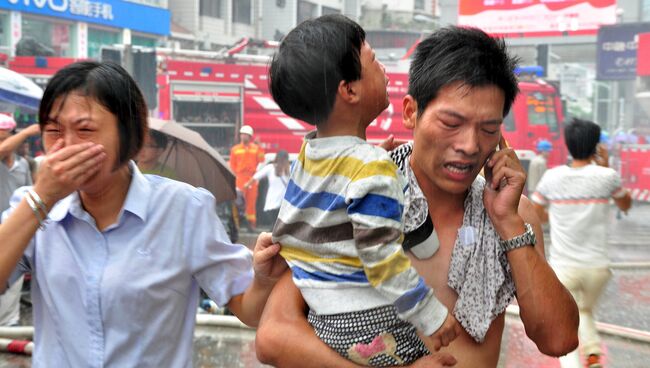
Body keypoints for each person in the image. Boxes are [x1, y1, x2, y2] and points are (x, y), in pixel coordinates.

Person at [256, 26, 580, 368]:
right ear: (411, 112)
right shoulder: (351, 193)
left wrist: (509, 223)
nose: (469, 146)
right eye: (451, 123)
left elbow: (559, 339)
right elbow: (274, 334)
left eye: (488, 129)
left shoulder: (514, 217)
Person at [0, 61, 286, 366]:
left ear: (131, 135)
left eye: (85, 130)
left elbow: (248, 309)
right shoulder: (33, 208)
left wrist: (264, 279)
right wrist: (41, 199)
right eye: (53, 131)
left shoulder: (183, 210)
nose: (66, 146)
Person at [267, 14, 461, 367]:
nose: (384, 70)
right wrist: (430, 314)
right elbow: (381, 257)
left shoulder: (309, 154)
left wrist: (373, 163)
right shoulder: (370, 167)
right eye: (373, 61)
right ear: (350, 90)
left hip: (322, 319)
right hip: (367, 323)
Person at [531, 118, 632, 368]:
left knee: (564, 325)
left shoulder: (552, 178)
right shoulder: (607, 177)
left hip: (564, 269)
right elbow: (625, 204)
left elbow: (535, 213)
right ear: (597, 145)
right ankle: (594, 352)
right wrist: (606, 166)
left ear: (567, 144)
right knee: (584, 311)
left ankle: (578, 362)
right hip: (598, 269)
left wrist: (552, 218)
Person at [0, 121, 40, 327]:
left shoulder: (23, 164)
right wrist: (29, 131)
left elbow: (29, 193)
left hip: (16, 227)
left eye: (5, 138)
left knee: (13, 283)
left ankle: (9, 323)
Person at [243, 149, 290, 230]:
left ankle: (272, 238)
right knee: (279, 226)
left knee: (274, 225)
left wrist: (247, 185)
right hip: (284, 203)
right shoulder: (290, 170)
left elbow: (256, 177)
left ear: (277, 158)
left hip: (272, 202)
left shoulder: (270, 168)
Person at [230, 124, 265, 229]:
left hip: (252, 178)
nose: (243, 136)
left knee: (251, 202)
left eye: (246, 135)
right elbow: (232, 165)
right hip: (240, 178)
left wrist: (260, 147)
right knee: (239, 202)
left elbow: (262, 160)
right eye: (242, 134)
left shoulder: (256, 148)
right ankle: (238, 224)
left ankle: (251, 224)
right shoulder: (235, 149)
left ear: (250, 137)